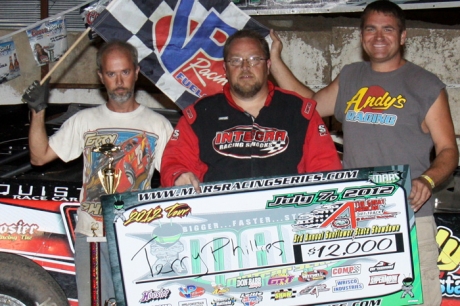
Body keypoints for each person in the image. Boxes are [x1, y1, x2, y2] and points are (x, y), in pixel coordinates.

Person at [269, 1, 458, 304]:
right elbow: (310, 107)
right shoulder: (352, 76)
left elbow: (449, 149)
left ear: (403, 36)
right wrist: (275, 59)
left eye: (388, 29)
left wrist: (427, 180)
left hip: (410, 217)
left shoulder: (425, 85)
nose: (378, 36)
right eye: (370, 28)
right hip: (357, 219)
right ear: (361, 36)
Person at [23, 40, 173, 304]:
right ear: (101, 77)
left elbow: (175, 174)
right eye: (111, 74)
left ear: (136, 72)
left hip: (137, 235)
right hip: (92, 235)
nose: (119, 81)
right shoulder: (84, 121)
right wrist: (38, 112)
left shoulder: (157, 124)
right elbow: (39, 156)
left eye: (125, 72)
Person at [160, 29, 342, 191]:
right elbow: (175, 162)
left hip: (287, 216)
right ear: (225, 68)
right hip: (219, 219)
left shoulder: (300, 111)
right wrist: (178, 175)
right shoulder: (200, 114)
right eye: (235, 60)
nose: (245, 67)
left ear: (268, 66)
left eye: (255, 59)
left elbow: (327, 170)